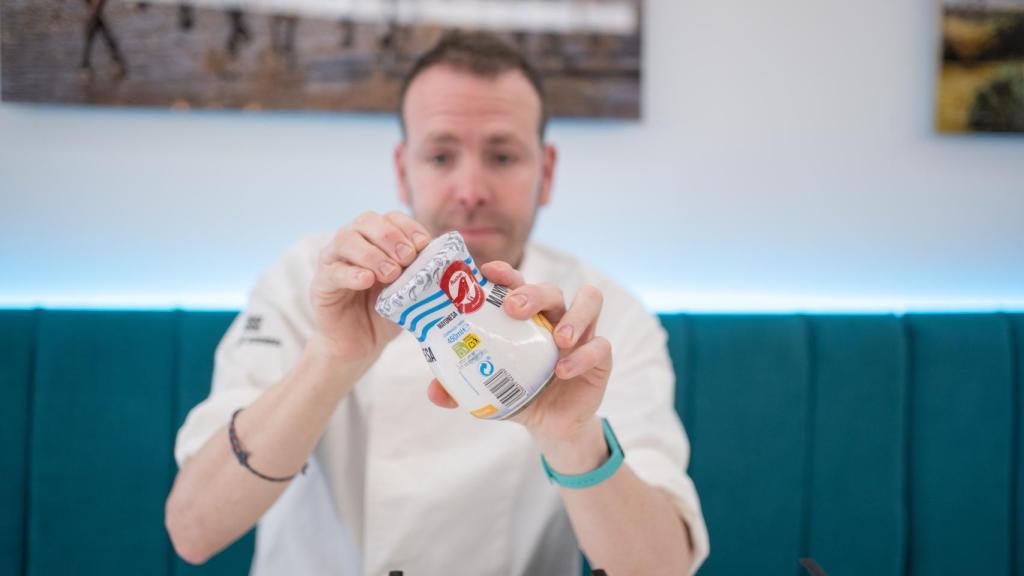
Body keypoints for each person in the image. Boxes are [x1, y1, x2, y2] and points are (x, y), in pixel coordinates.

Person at [165, 31, 709, 576]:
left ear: (547, 172)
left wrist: (571, 436)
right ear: (404, 170)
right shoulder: (311, 281)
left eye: (502, 155)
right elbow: (193, 529)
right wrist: (334, 356)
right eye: (442, 155)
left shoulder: (600, 316)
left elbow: (664, 567)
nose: (470, 188)